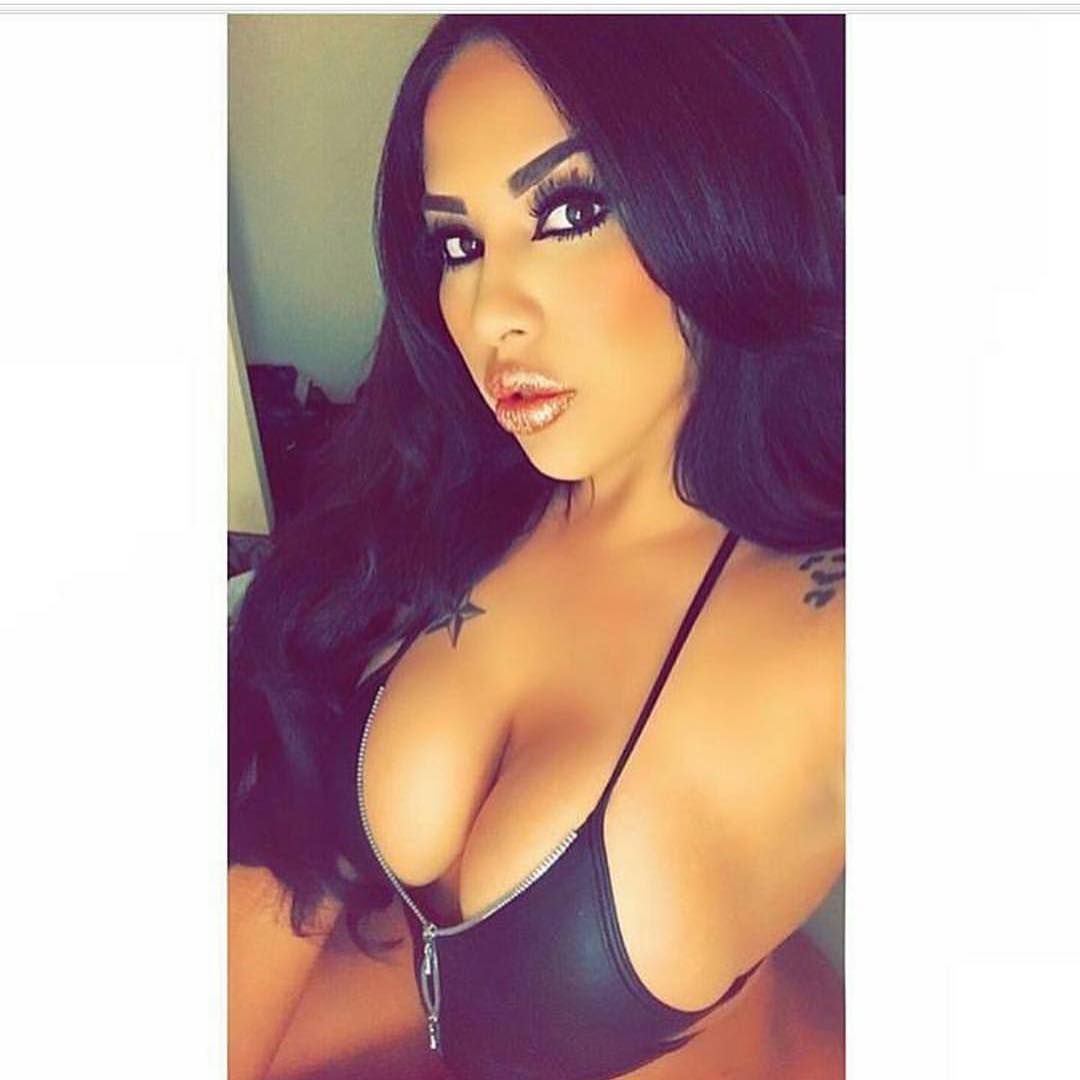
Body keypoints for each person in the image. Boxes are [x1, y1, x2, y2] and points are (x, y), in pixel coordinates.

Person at [228, 14, 845, 1080]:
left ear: (719, 198)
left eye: (568, 212)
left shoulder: (832, 619)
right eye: (457, 246)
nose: (490, 315)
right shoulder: (441, 519)